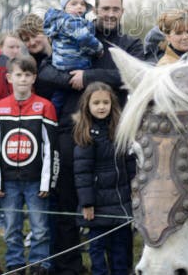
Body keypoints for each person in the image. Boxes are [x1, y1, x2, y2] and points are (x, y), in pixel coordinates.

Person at [38, 0, 144, 275]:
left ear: (122, 11)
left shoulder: (130, 44)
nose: (110, 14)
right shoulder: (78, 33)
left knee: (114, 206)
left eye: (115, 9)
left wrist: (88, 77)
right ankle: (68, 267)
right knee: (68, 201)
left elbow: (134, 75)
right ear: (95, 9)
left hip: (115, 136)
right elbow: (45, 72)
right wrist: (68, 78)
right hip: (73, 131)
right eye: (105, 8)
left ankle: (118, 267)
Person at [0, 55, 58, 275]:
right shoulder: (0, 108)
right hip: (8, 181)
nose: (23, 79)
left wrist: (47, 182)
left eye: (27, 75)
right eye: (18, 75)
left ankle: (40, 265)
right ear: (9, 77)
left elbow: (51, 148)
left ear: (34, 78)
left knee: (40, 227)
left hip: (36, 180)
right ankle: (15, 264)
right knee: (11, 227)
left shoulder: (45, 106)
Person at [72, 82, 134, 275]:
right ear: (87, 106)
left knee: (120, 249)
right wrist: (87, 203)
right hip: (97, 206)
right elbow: (82, 172)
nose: (101, 107)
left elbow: (130, 161)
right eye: (96, 103)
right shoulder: (86, 134)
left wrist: (135, 185)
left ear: (112, 104)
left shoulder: (121, 129)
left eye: (105, 102)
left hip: (121, 202)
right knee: (97, 249)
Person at [43, 0, 103, 111]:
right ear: (64, 8)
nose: (79, 7)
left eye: (82, 4)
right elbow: (85, 38)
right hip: (74, 65)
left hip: (61, 67)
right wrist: (99, 49)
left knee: (59, 98)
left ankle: (51, 117)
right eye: (74, 4)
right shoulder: (70, 21)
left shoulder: (63, 22)